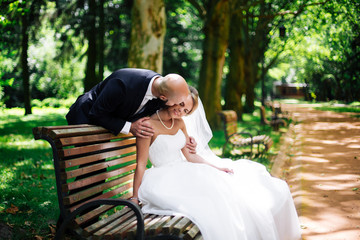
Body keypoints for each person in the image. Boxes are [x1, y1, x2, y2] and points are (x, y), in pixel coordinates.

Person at [131, 86, 302, 240]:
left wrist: (216, 166)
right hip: (163, 178)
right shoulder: (148, 126)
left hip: (184, 169)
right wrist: (135, 197)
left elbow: (190, 156)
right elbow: (140, 164)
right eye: (181, 104)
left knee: (226, 190)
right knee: (209, 202)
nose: (181, 111)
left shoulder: (180, 123)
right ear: (171, 99)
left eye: (186, 110)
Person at [66, 68, 193, 144]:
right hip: (85, 116)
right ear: (164, 98)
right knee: (92, 167)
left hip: (107, 123)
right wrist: (130, 127)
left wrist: (185, 138)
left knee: (96, 169)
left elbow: (165, 115)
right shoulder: (122, 85)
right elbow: (97, 113)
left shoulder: (161, 89)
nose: (175, 106)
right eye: (177, 103)